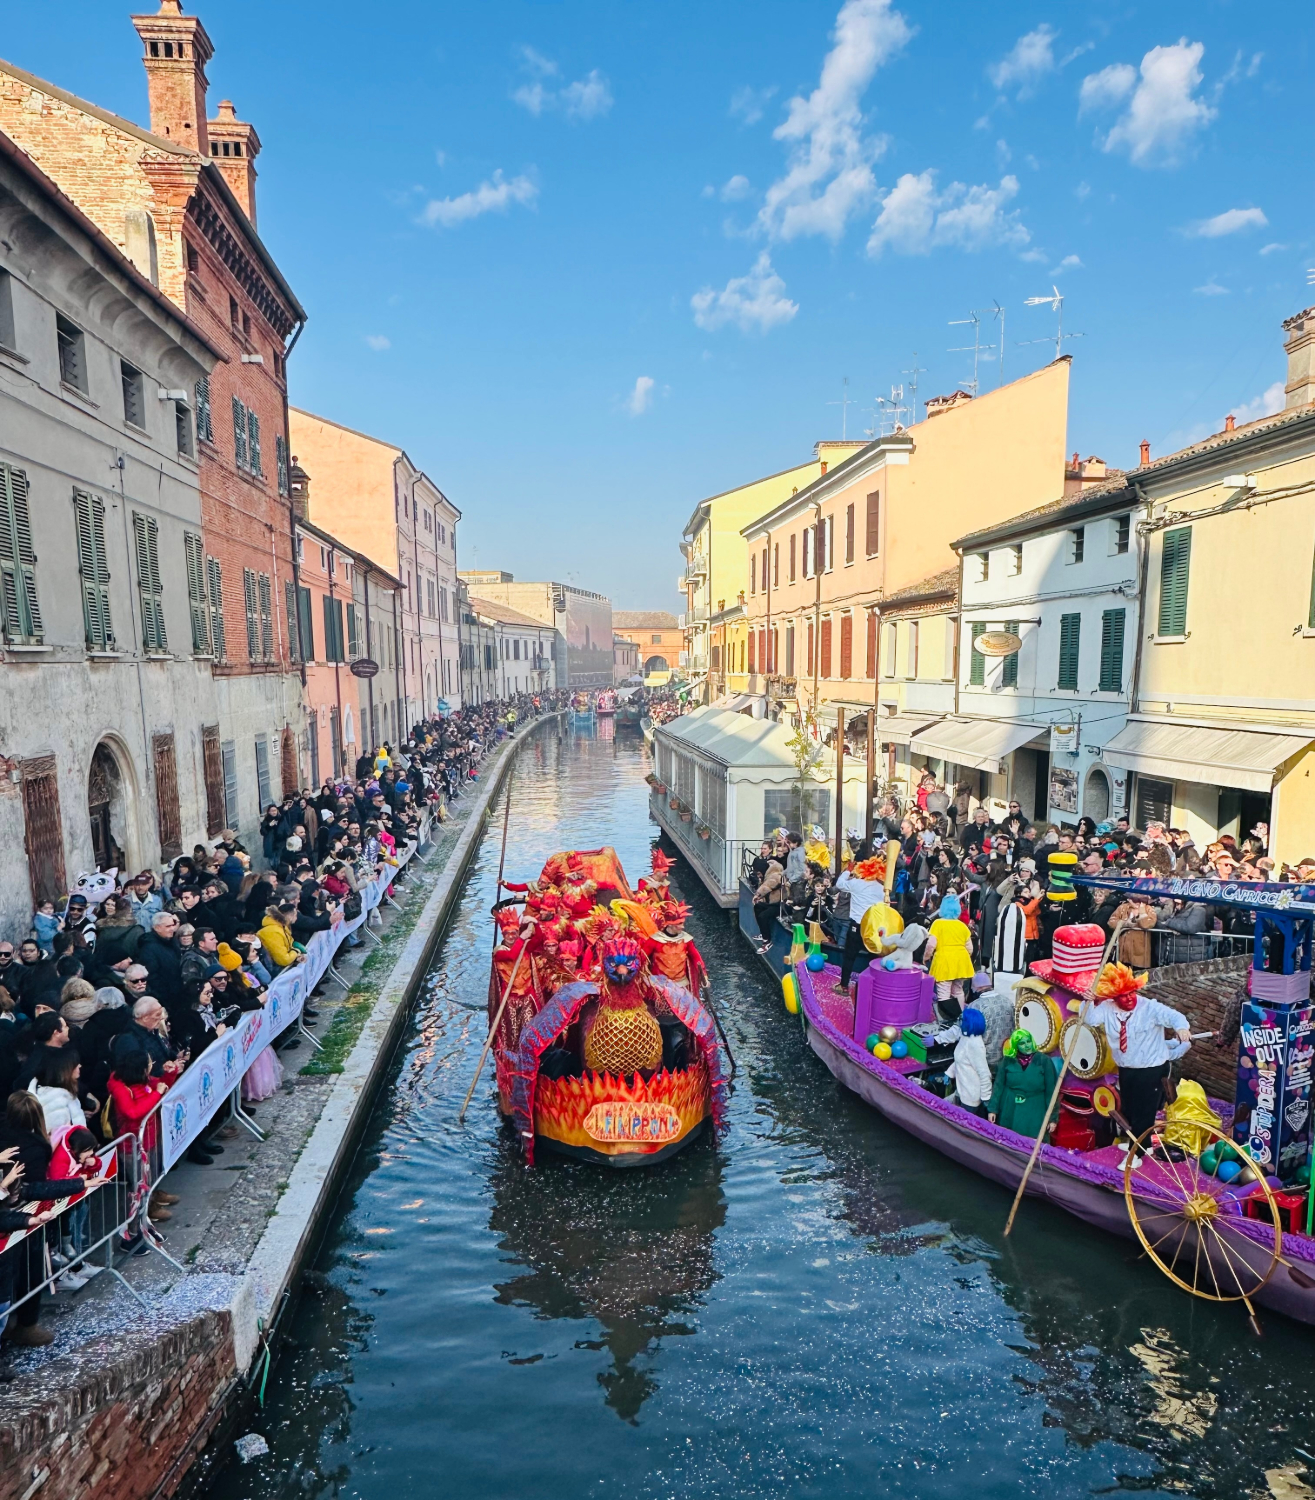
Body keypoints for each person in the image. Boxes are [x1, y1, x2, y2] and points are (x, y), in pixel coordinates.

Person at [1087, 964, 1190, 1144]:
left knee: (1145, 1111)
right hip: (1126, 1067)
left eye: (1131, 993)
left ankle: (1140, 1149)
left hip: (1151, 1068)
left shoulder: (1150, 1008)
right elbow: (1091, 1020)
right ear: (1114, 997)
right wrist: (1090, 1002)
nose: (1128, 998)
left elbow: (1174, 1016)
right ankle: (1134, 1144)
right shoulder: (1107, 1007)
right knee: (1128, 1108)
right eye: (1123, 996)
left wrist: (1181, 1028)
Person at [987, 1029, 1060, 1138]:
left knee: (1031, 1142)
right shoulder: (1007, 1061)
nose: (1027, 1046)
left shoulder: (1044, 1061)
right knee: (1008, 1140)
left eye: (1028, 1041)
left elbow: (1051, 1091)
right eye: (1022, 1043)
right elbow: (998, 1086)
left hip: (1034, 1110)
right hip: (1010, 1109)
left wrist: (1052, 1118)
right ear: (1016, 1046)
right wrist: (992, 1109)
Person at [925, 892, 975, 1022]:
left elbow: (931, 945)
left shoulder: (938, 924)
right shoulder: (962, 926)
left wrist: (926, 957)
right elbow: (970, 948)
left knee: (943, 994)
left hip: (944, 962)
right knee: (958, 991)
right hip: (961, 963)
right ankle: (961, 1019)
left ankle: (945, 1021)